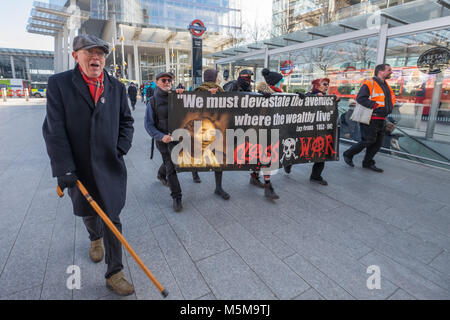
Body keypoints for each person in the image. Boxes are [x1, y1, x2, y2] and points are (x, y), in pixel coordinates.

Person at [42, 34, 135, 296]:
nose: (96, 58)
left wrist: (120, 149)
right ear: (76, 56)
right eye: (89, 52)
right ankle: (95, 238)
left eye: (101, 54)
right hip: (78, 167)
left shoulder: (116, 87)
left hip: (109, 165)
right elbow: (53, 129)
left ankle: (114, 272)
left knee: (112, 217)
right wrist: (64, 169)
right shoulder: (59, 84)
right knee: (88, 211)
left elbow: (127, 122)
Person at [343, 63, 396, 172]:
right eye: (389, 70)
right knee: (368, 140)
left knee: (377, 144)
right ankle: (348, 154)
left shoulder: (385, 85)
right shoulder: (369, 83)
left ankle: (367, 162)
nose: (391, 72)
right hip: (371, 118)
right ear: (381, 71)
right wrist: (375, 106)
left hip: (381, 118)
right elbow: (361, 98)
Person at [145, 71, 184, 212]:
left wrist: (183, 95)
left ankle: (160, 175)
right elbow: (148, 125)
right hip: (163, 140)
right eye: (163, 80)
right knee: (171, 166)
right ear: (157, 82)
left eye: (169, 80)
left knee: (169, 161)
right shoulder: (152, 101)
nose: (167, 82)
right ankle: (177, 196)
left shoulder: (177, 96)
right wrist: (161, 136)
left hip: (178, 138)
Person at [284, 78, 333, 185]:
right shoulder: (308, 95)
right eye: (324, 84)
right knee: (300, 148)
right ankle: (289, 162)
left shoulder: (327, 97)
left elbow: (330, 110)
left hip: (320, 129)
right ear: (317, 85)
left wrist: (334, 100)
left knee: (321, 152)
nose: (327, 86)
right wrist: (305, 97)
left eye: (328, 84)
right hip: (307, 129)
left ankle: (316, 176)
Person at [190, 68, 230, 200]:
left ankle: (216, 186)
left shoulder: (220, 90)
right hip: (202, 127)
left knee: (217, 157)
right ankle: (197, 175)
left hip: (214, 127)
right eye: (216, 76)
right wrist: (208, 95)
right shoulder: (200, 90)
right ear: (213, 77)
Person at [253, 68, 284, 199]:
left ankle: (254, 177)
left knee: (262, 157)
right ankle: (268, 185)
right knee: (266, 158)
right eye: (281, 81)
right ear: (275, 83)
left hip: (272, 130)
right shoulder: (262, 94)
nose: (282, 83)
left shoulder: (280, 94)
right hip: (262, 131)